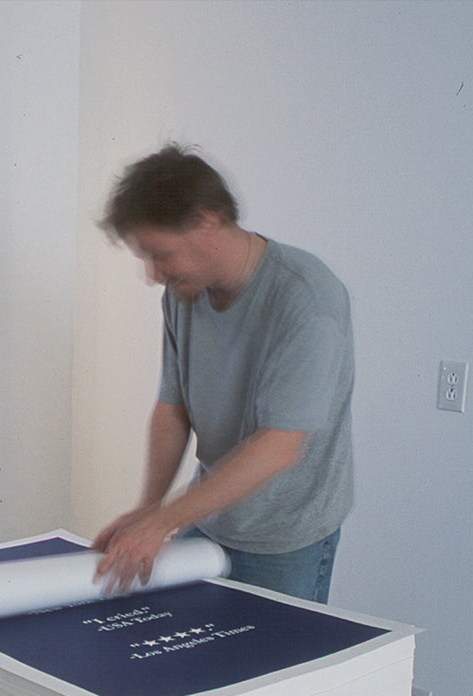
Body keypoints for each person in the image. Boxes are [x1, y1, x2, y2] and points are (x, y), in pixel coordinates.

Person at [91, 144, 354, 604]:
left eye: (160, 255)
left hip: (285, 538)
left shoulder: (307, 300)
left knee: (274, 653)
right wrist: (149, 510)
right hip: (210, 516)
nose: (152, 274)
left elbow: (279, 446)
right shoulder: (183, 294)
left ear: (207, 222)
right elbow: (172, 409)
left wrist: (163, 521)